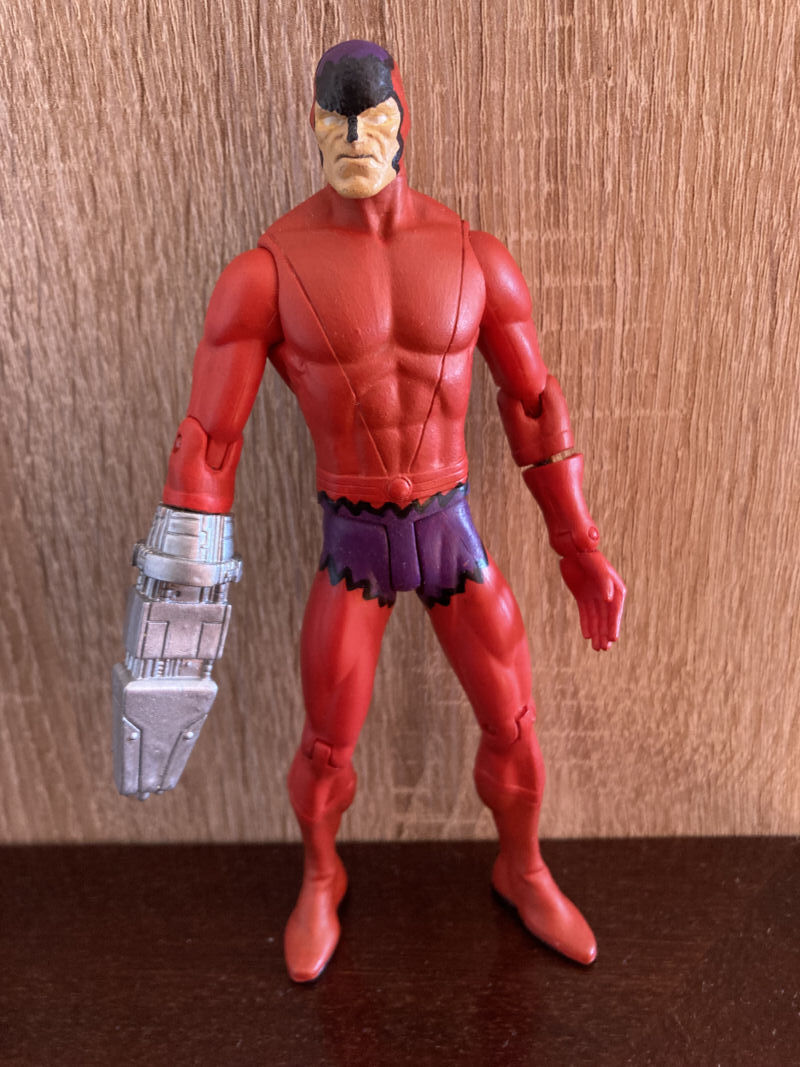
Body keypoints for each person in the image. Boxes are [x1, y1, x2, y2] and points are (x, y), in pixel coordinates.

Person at [115, 39, 625, 983]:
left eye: (373, 121)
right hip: (353, 543)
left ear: (401, 122)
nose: (355, 139)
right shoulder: (266, 271)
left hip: (451, 532)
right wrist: (177, 623)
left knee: (514, 721)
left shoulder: (474, 255)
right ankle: (321, 875)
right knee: (325, 745)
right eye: (336, 124)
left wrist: (579, 544)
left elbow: (532, 407)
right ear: (315, 128)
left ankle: (522, 866)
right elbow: (208, 447)